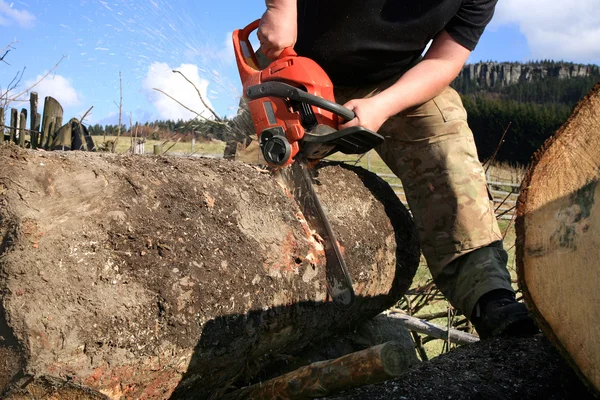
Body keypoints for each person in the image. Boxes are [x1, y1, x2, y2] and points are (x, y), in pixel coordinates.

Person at [256, 0, 539, 339]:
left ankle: (488, 295)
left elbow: (444, 60)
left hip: (392, 81)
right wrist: (281, 9)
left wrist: (383, 105)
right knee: (250, 178)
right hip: (293, 67)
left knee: (446, 146)